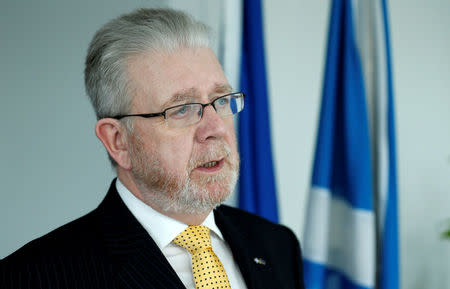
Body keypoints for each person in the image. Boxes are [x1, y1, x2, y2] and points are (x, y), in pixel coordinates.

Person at [1, 8, 305, 289]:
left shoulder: (276, 246)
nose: (215, 129)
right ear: (118, 141)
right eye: (183, 109)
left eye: (222, 101)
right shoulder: (34, 277)